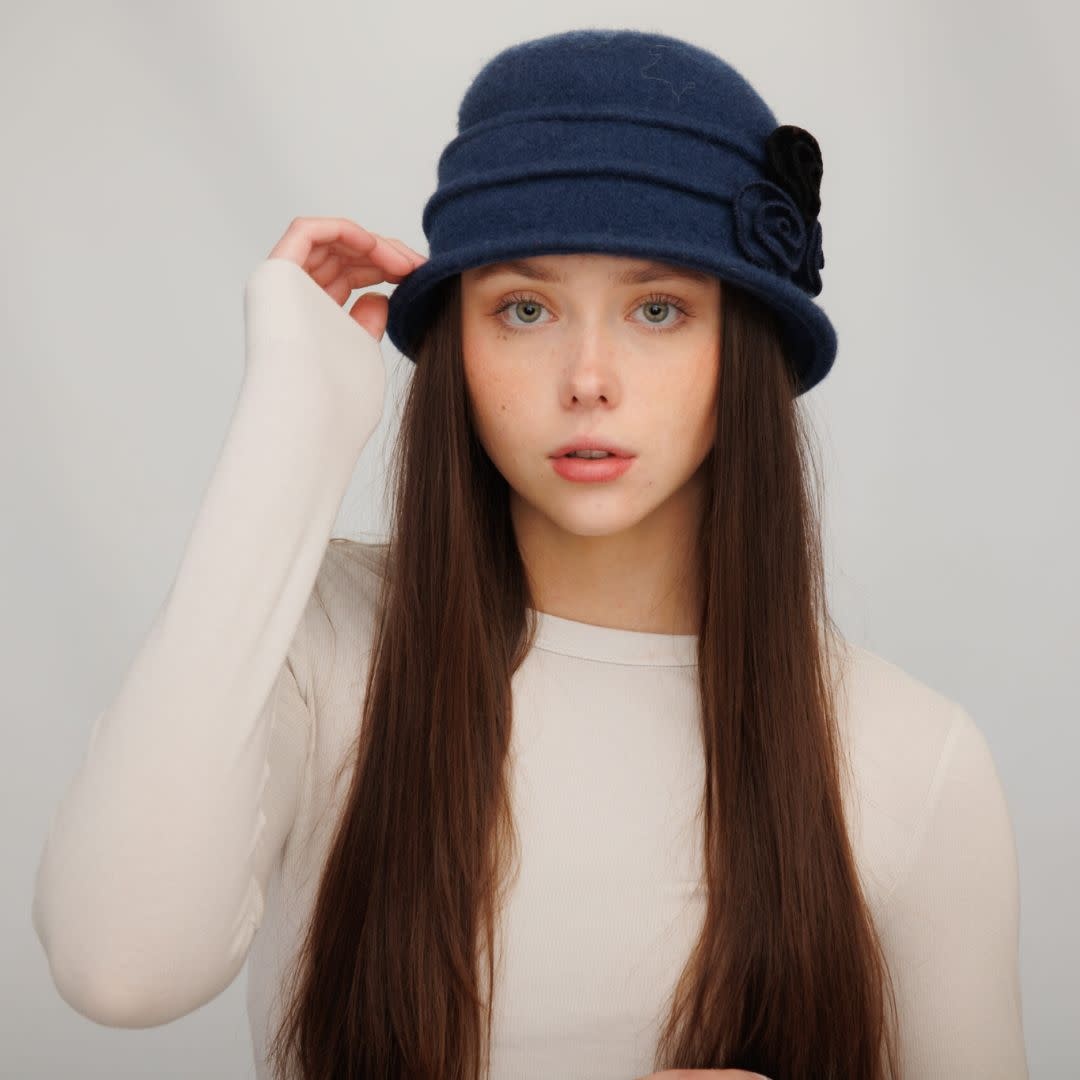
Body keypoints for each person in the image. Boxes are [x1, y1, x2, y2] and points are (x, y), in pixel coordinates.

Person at [31, 28, 1027, 1080]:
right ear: (454, 343)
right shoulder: (318, 644)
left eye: (657, 310)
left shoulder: (914, 759)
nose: (587, 376)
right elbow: (119, 970)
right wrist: (290, 432)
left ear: (740, 347)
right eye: (524, 309)